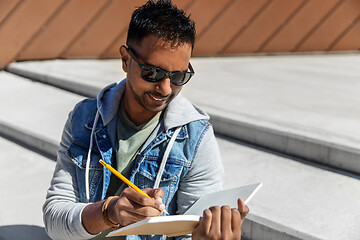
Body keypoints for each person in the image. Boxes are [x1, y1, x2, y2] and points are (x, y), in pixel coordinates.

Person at [43, 1, 249, 239]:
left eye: (178, 76)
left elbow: (190, 229)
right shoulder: (85, 119)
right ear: (125, 60)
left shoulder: (196, 139)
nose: (165, 88)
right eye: (153, 73)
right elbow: (54, 220)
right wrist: (108, 212)